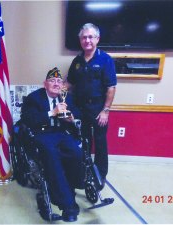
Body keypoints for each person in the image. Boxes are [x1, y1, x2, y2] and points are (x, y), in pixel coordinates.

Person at [21, 67, 84, 222]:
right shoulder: (34, 98)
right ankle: (67, 205)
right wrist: (52, 112)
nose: (56, 83)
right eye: (52, 80)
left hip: (61, 133)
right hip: (42, 134)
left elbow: (78, 115)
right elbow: (28, 119)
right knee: (52, 157)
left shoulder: (67, 97)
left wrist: (72, 118)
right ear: (45, 84)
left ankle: (70, 190)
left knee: (76, 153)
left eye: (59, 81)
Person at [66, 23, 117, 187]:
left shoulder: (105, 59)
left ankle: (101, 175)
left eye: (90, 37)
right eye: (83, 37)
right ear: (80, 40)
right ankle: (85, 172)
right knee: (83, 140)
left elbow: (111, 87)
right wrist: (55, 88)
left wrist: (105, 111)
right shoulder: (77, 61)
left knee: (100, 141)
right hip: (79, 108)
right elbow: (70, 82)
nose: (87, 40)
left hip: (98, 109)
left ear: (97, 39)